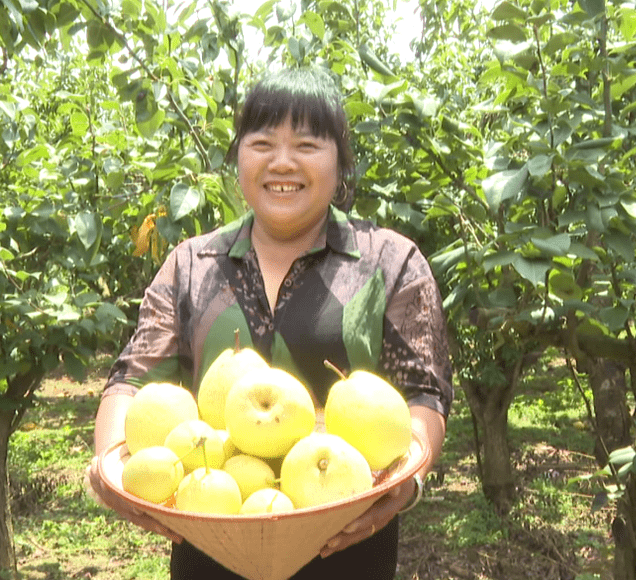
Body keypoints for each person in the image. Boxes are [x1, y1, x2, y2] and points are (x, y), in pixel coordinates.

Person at [85, 66, 453, 580]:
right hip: (211, 542)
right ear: (237, 156)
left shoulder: (389, 262)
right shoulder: (194, 263)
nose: (282, 162)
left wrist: (404, 483)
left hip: (348, 551)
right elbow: (131, 378)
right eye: (262, 142)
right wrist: (108, 467)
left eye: (306, 144)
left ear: (340, 161)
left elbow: (422, 394)